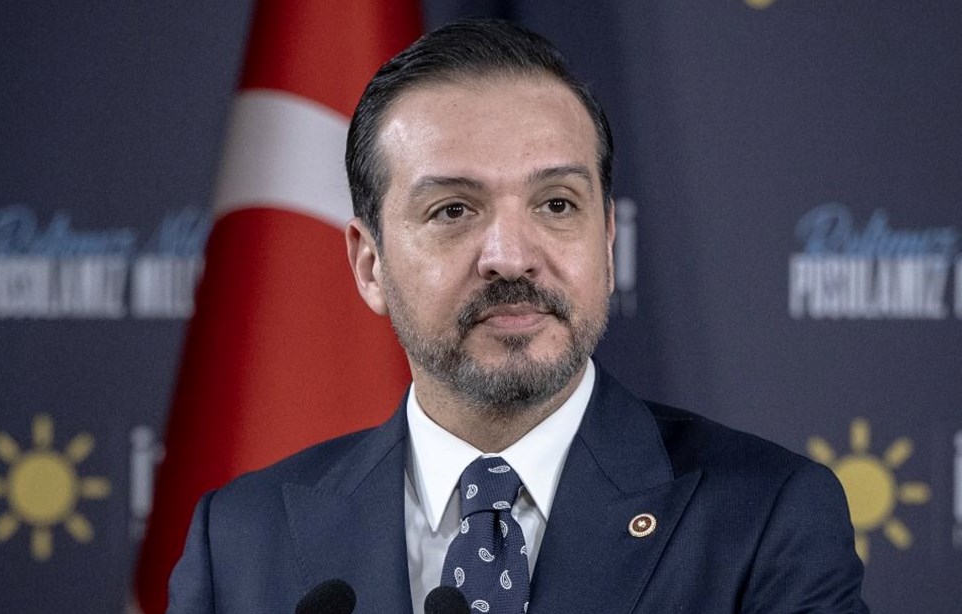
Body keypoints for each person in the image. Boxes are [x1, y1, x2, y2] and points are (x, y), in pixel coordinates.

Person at [167, 19, 867, 613]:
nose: (510, 257)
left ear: (607, 241)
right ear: (370, 264)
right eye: (453, 210)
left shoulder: (767, 520)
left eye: (556, 204)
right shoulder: (239, 543)